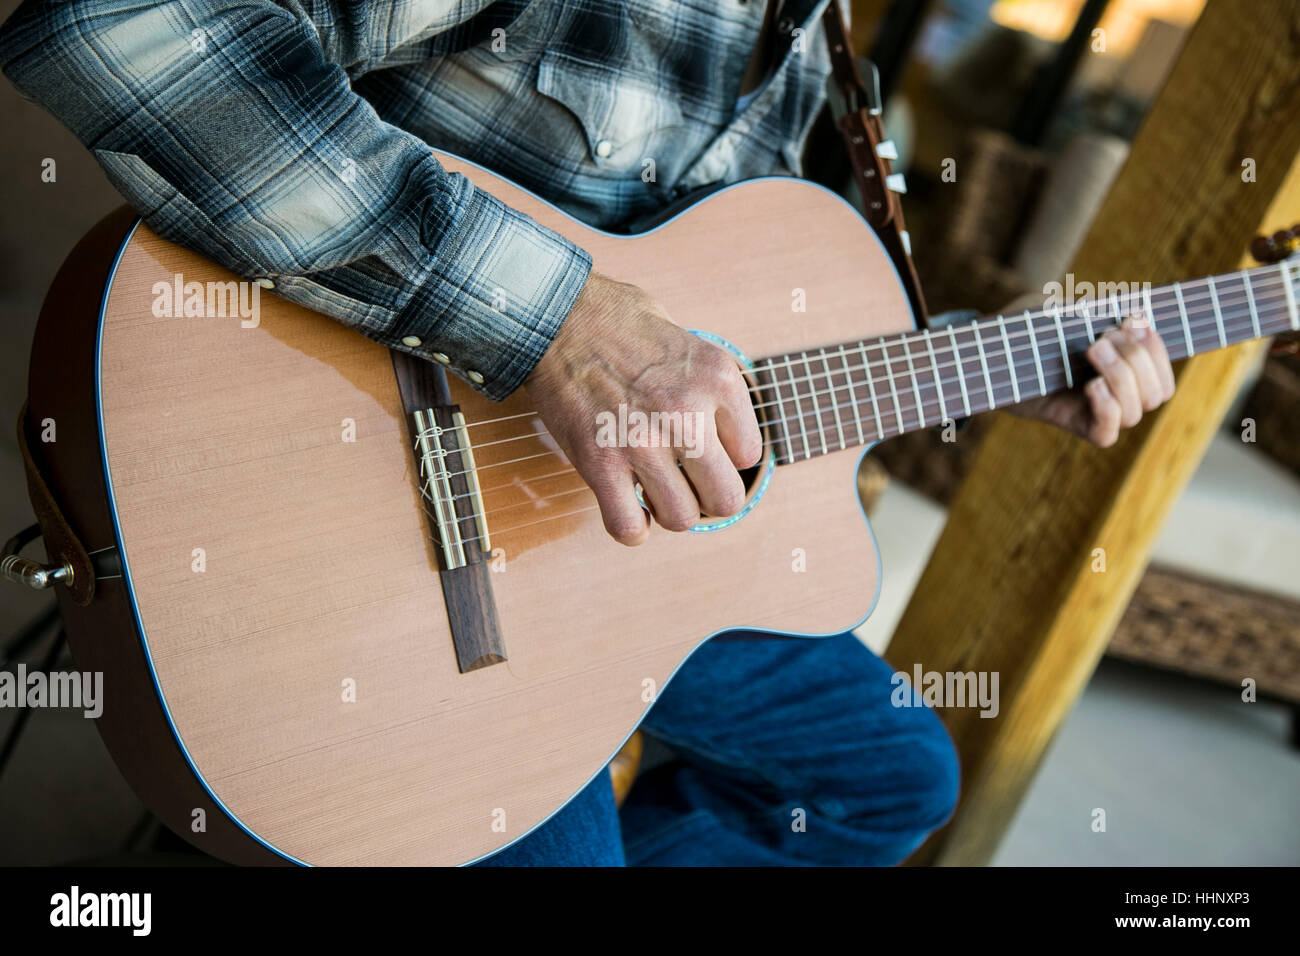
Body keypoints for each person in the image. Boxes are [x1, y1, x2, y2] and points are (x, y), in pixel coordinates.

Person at [0, 0, 1175, 866]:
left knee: (889, 783)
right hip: (366, 535)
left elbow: (747, 318)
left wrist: (995, 357)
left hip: (598, 563)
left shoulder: (817, 45)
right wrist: (557, 322)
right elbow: (121, 24)